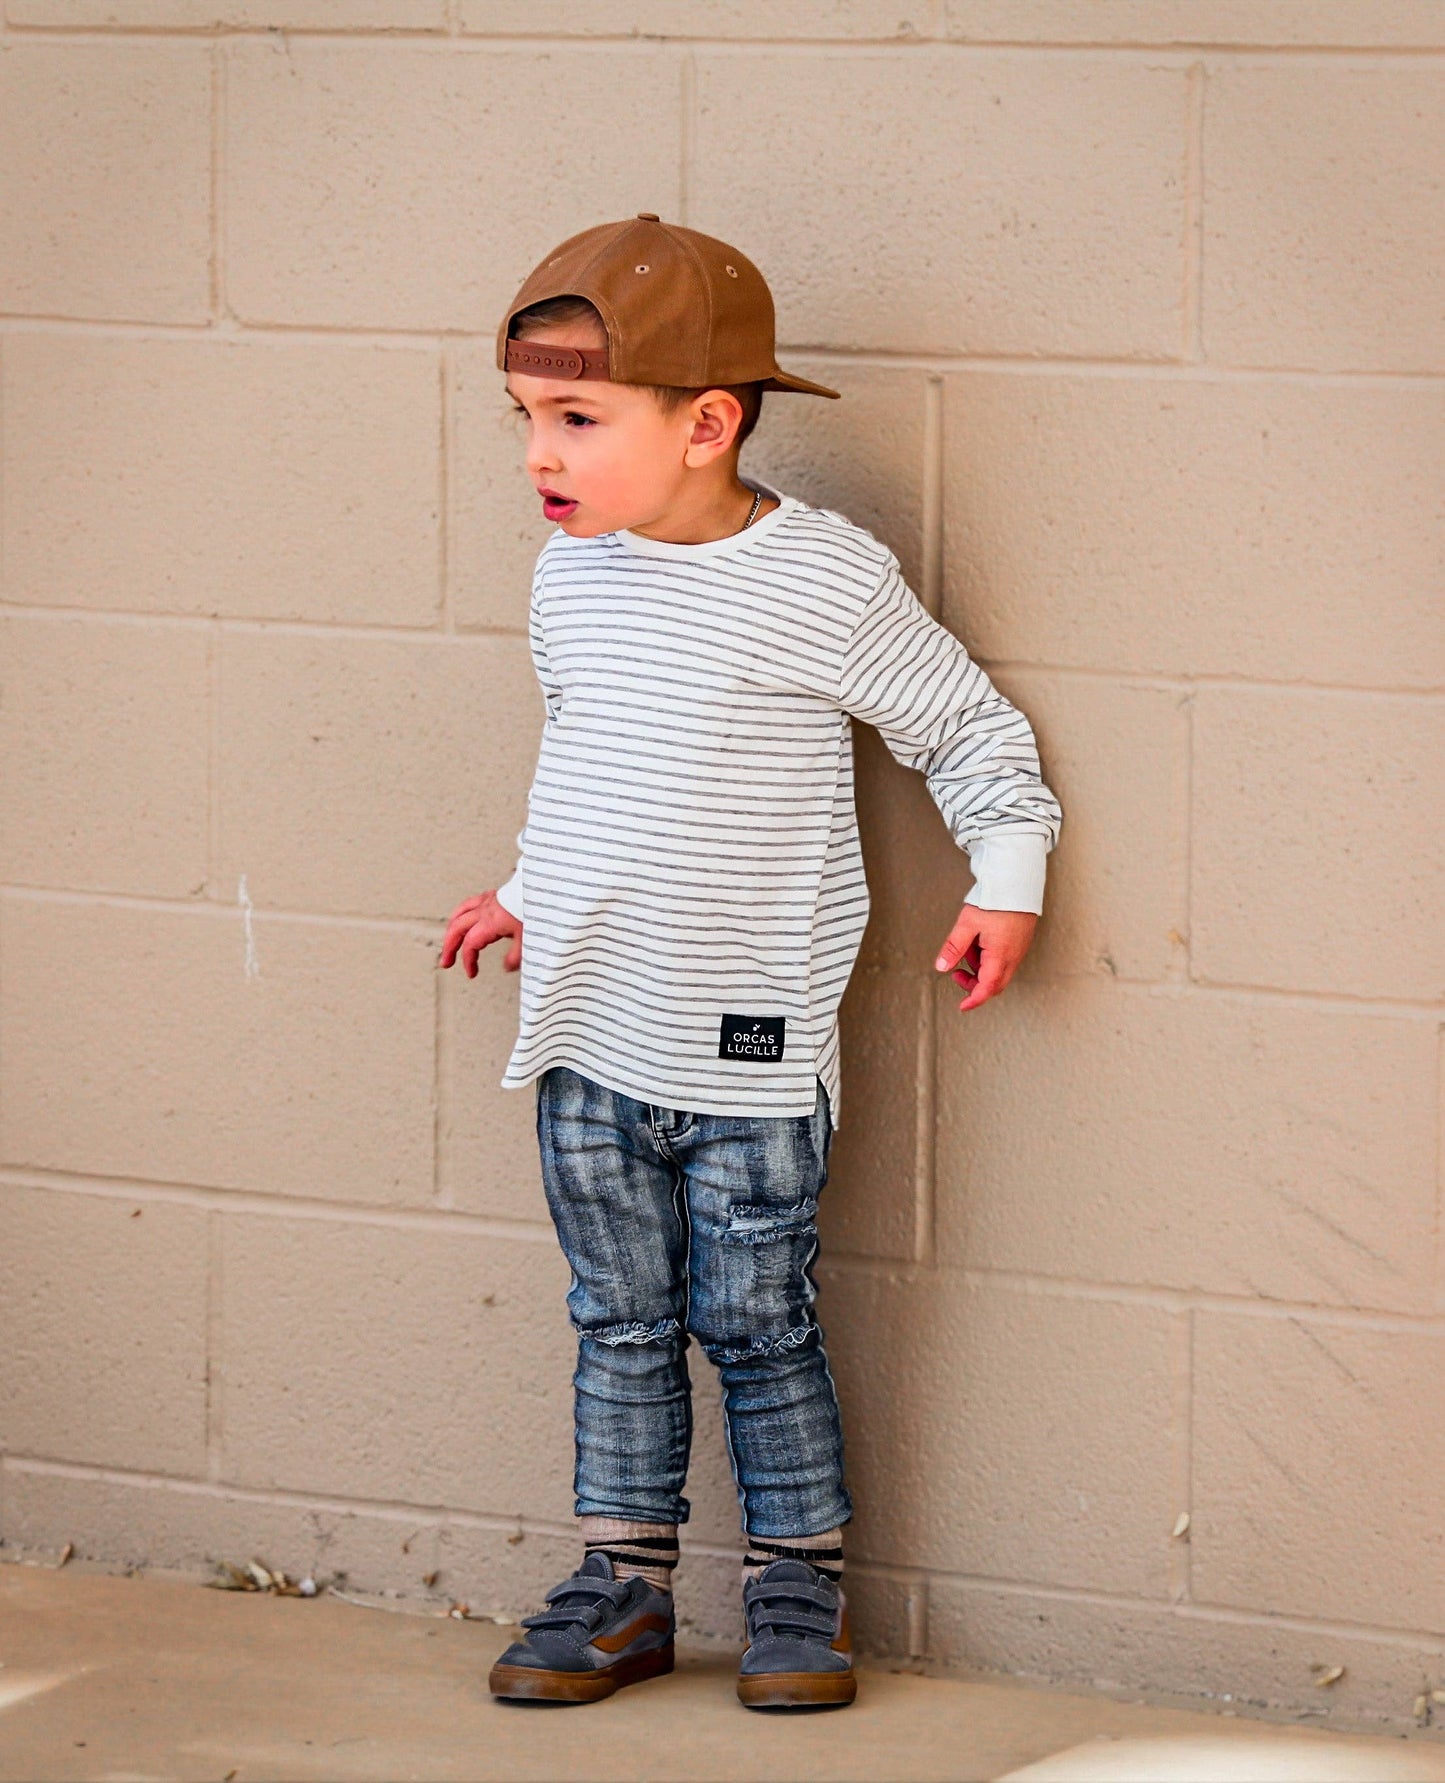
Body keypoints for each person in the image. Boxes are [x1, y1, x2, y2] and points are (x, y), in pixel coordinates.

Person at [438, 214, 1062, 1710]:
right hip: (586, 1030)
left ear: (707, 423)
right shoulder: (570, 575)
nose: (541, 456)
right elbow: (594, 762)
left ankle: (796, 1590)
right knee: (618, 1322)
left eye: (577, 421)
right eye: (527, 418)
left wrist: (1008, 873)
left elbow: (965, 730)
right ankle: (623, 1590)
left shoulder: (817, 580)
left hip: (748, 1044)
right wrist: (530, 888)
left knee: (757, 1321)